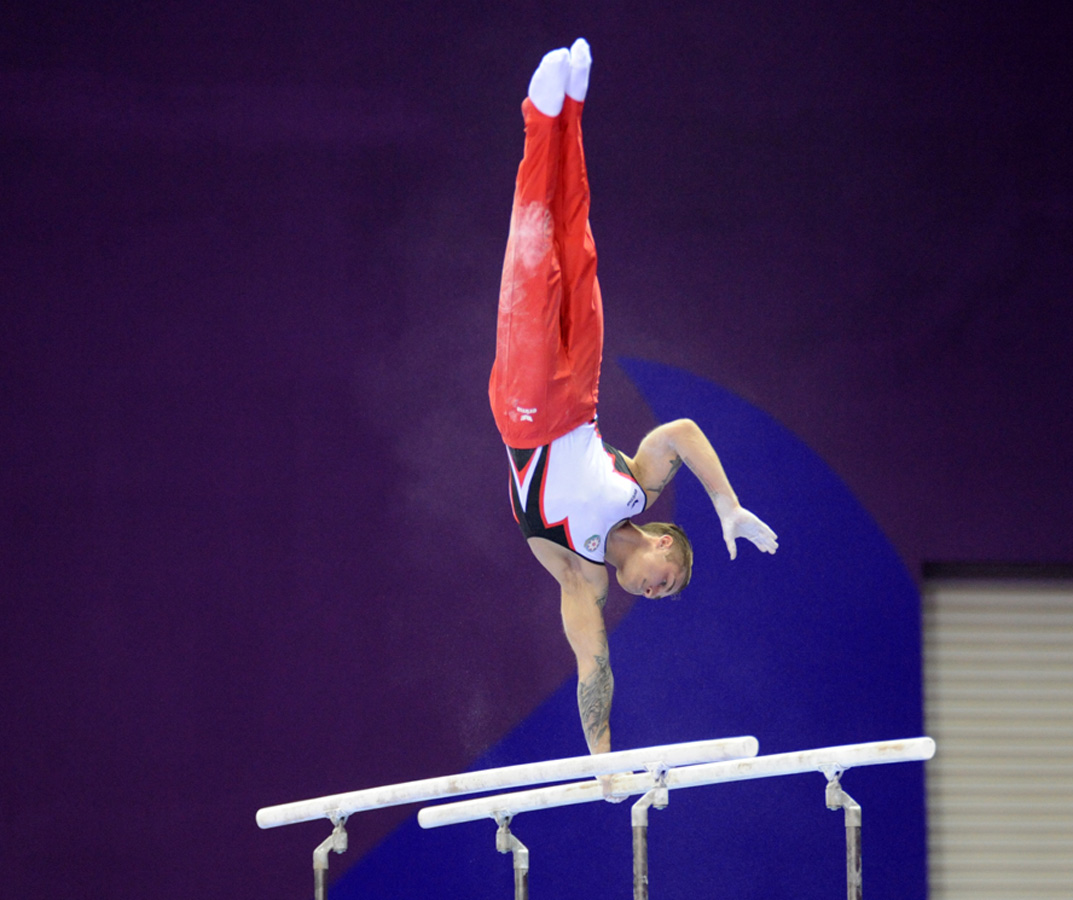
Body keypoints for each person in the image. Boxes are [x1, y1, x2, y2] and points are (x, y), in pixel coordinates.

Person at [488, 39, 778, 774]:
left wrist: (602, 760)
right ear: (660, 541)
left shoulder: (579, 576)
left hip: (524, 412)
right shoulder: (639, 484)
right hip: (578, 394)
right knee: (577, 243)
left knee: (534, 254)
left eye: (663, 591)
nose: (656, 592)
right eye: (668, 579)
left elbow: (593, 669)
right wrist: (726, 508)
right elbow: (679, 431)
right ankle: (571, 107)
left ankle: (538, 116)